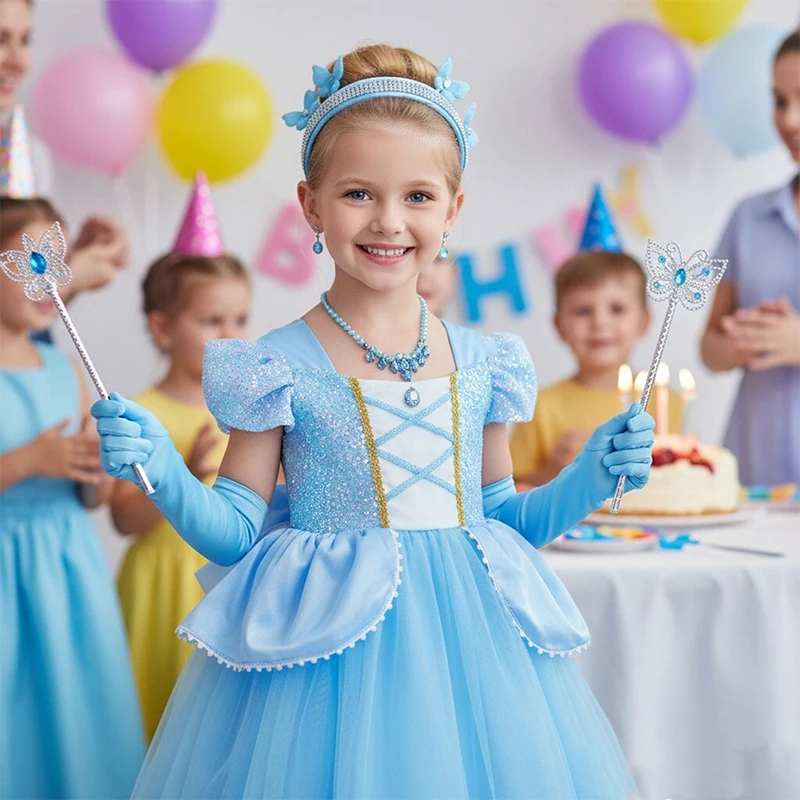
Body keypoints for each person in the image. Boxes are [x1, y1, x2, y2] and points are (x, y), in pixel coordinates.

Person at [93, 44, 654, 799]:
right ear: (310, 204)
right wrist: (159, 467)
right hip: (323, 670)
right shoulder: (277, 365)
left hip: (472, 660)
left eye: (418, 197)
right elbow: (234, 530)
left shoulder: (484, 362)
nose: (389, 221)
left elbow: (500, 522)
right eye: (359, 193)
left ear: (453, 210)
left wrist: (590, 476)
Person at [0, 196, 144, 799]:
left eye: (57, 263)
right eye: (30, 261)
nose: (47, 279)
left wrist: (96, 473)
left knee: (81, 720)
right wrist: (28, 461)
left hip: (67, 570)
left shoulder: (63, 363)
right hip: (8, 572)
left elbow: (92, 501)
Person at [112, 176, 252, 742]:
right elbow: (124, 518)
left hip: (225, 583)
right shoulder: (138, 411)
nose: (230, 335)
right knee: (160, 719)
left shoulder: (249, 412)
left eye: (240, 320)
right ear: (163, 328)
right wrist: (184, 473)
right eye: (212, 321)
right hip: (160, 584)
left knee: (220, 732)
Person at [701, 30, 800, 486]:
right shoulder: (749, 217)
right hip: (755, 476)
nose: (790, 120)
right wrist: (745, 339)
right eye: (780, 101)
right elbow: (710, 350)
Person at [0, 0, 129, 316]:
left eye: (25, 40)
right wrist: (68, 279)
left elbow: (24, 323)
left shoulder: (31, 156)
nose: (20, 61)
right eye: (0, 40)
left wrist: (67, 260)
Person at [512, 249, 682, 486]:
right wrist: (554, 470)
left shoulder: (669, 403)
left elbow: (690, 479)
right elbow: (512, 494)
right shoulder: (540, 407)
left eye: (617, 309)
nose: (599, 322)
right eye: (583, 311)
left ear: (643, 322)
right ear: (559, 326)